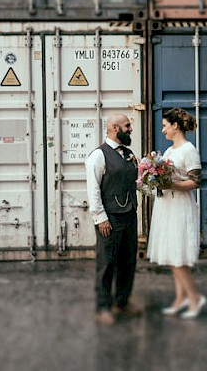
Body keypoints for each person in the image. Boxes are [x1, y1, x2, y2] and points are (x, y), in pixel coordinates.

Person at [147, 107, 206, 318]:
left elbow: (196, 181)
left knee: (178, 256)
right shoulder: (170, 151)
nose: (162, 130)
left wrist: (173, 185)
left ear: (175, 126)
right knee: (172, 254)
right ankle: (181, 298)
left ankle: (194, 298)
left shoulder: (189, 150)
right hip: (167, 206)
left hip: (180, 206)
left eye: (164, 126)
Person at [85, 112, 143, 326]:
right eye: (127, 126)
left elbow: (136, 182)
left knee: (128, 261)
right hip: (109, 219)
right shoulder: (98, 156)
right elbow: (93, 191)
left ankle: (122, 302)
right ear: (115, 128)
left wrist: (157, 186)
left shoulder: (129, 154)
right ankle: (102, 307)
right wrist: (100, 218)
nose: (130, 129)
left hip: (129, 216)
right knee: (107, 262)